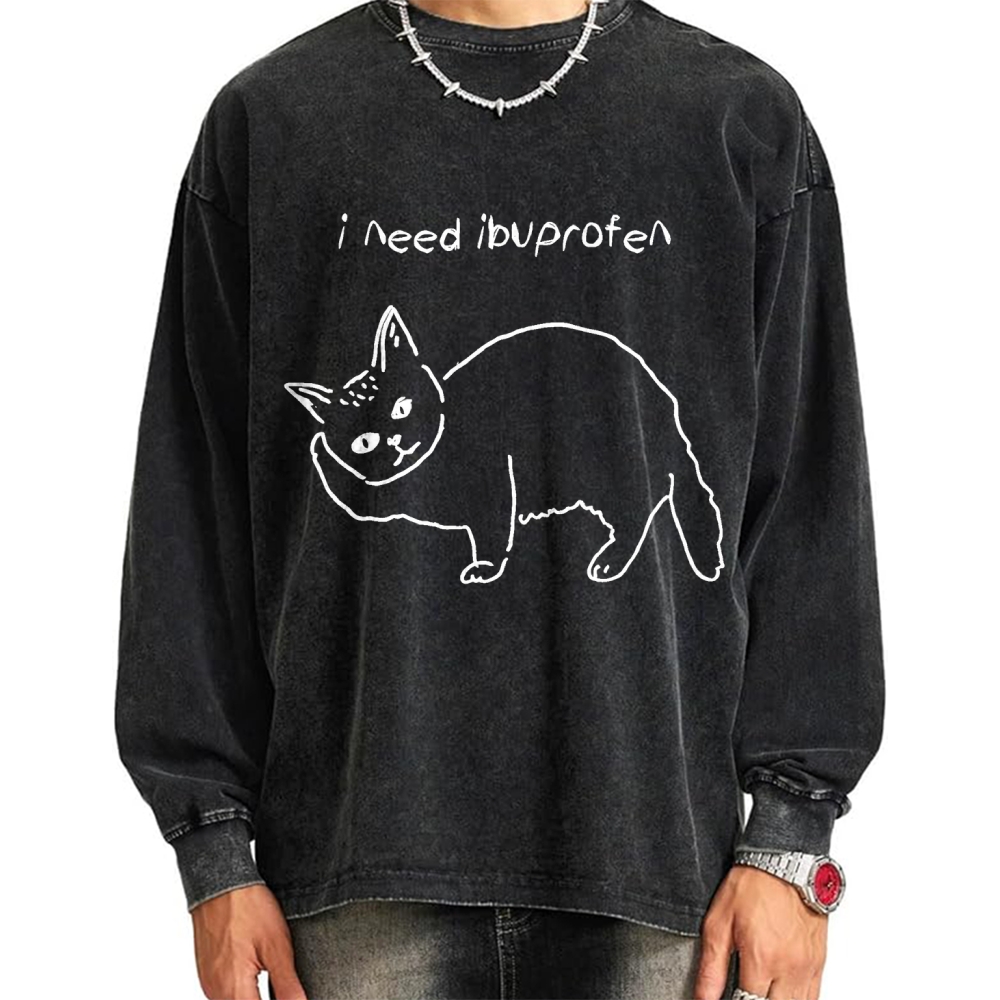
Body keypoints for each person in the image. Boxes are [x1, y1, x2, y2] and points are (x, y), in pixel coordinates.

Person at [114, 0, 886, 997]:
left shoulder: (735, 118)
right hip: (355, 876)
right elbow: (192, 502)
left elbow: (811, 490)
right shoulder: (275, 119)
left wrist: (791, 841)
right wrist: (212, 850)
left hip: (661, 876)